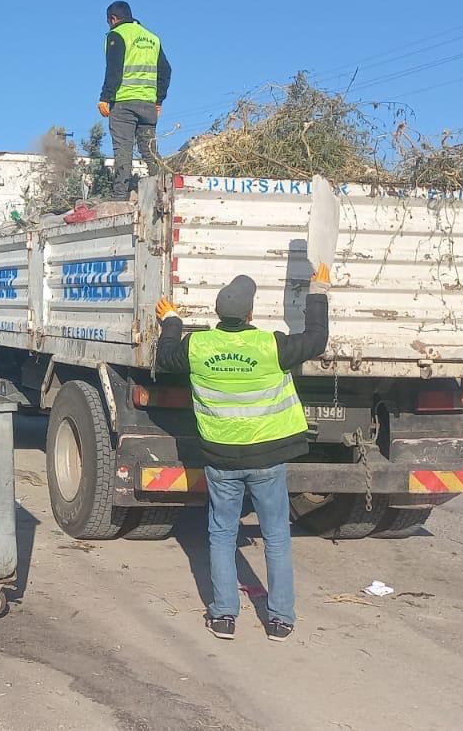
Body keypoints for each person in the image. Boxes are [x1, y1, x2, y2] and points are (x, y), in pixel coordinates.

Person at [153, 264, 331, 642]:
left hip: (220, 459)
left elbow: (165, 355)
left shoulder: (198, 346)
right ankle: (280, 619)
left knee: (221, 534)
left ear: (218, 314)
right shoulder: (271, 345)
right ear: (250, 314)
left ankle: (223, 617)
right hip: (267, 458)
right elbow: (316, 340)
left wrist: (171, 320)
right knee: (276, 536)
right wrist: (318, 291)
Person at [97, 0, 172, 198]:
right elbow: (166, 71)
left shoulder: (117, 35)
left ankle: (120, 197)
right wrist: (158, 101)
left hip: (124, 105)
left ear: (113, 19)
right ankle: (163, 190)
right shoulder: (152, 38)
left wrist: (105, 97)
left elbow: (114, 69)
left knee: (123, 152)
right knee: (150, 152)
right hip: (148, 106)